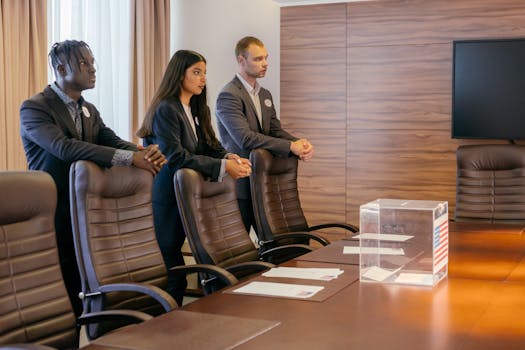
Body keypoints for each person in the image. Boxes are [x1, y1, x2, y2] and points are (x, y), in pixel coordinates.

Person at [20, 40, 167, 316]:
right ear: (61, 68)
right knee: (63, 296)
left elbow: (110, 140)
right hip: (55, 213)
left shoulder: (88, 109)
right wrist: (129, 158)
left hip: (87, 212)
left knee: (89, 287)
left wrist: (143, 152)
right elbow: (65, 148)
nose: (93, 69)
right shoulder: (35, 108)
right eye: (85, 63)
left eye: (92, 62)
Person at [136, 50, 251, 305]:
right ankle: (166, 322)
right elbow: (176, 157)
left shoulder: (197, 108)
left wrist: (229, 157)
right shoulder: (166, 109)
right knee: (171, 261)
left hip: (191, 196)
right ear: (179, 75)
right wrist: (222, 166)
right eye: (196, 72)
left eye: (204, 73)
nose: (202, 79)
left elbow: (210, 145)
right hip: (167, 198)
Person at [216, 36, 314, 232]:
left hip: (264, 180)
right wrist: (289, 147)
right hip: (240, 185)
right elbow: (245, 138)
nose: (265, 64)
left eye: (266, 58)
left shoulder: (264, 94)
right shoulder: (229, 95)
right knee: (238, 250)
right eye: (258, 59)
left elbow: (275, 130)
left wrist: (298, 143)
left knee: (272, 241)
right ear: (241, 60)